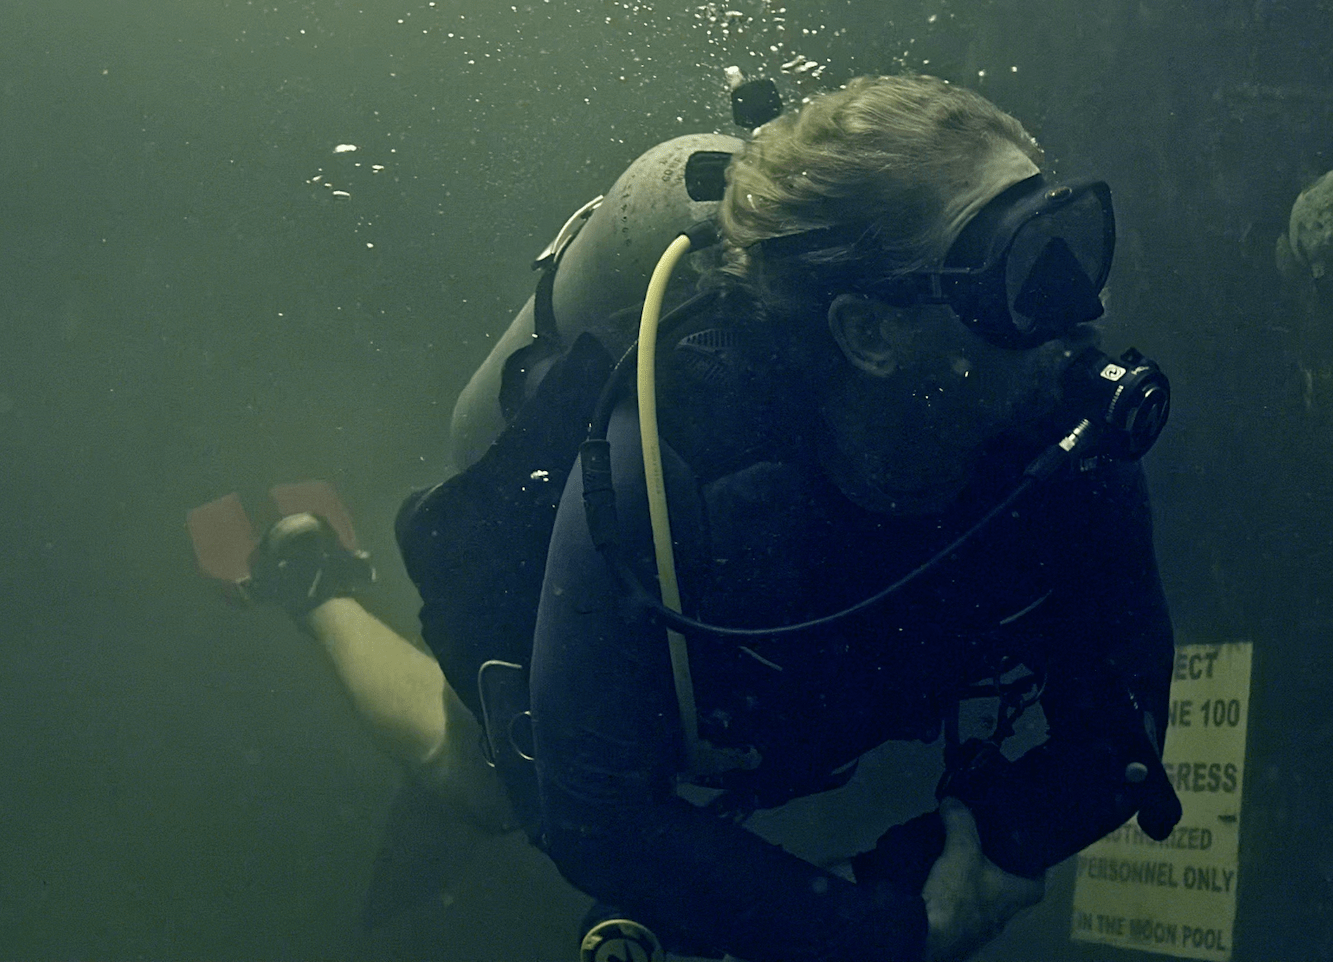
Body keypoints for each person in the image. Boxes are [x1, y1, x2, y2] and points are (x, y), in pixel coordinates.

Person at [259, 74, 1180, 962]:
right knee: (477, 787)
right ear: (872, 333)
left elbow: (1123, 730)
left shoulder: (1060, 428)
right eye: (1021, 266)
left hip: (792, 694)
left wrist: (977, 853)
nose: (1082, 301)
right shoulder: (673, 463)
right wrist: (889, 937)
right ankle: (313, 583)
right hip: (561, 603)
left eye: (1067, 237)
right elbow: (596, 816)